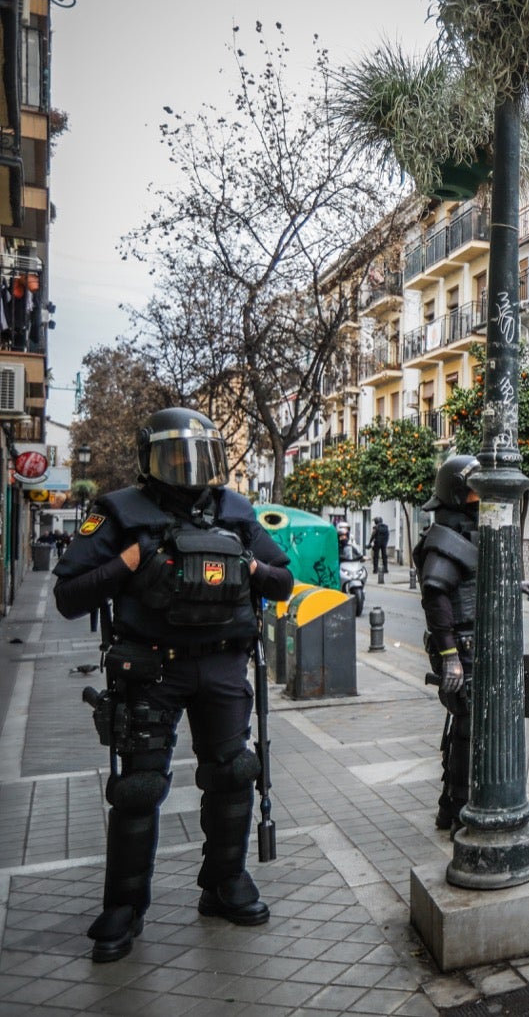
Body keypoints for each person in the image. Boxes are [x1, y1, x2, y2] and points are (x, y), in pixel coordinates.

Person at [53, 407, 294, 963]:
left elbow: (283, 582)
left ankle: (224, 883)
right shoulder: (120, 513)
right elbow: (69, 595)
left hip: (223, 666)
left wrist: (251, 568)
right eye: (175, 455)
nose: (188, 467)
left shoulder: (235, 513)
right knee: (139, 789)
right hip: (151, 668)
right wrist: (128, 562)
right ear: (151, 460)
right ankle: (125, 906)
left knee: (235, 773)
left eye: (199, 455)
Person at [412, 454, 481, 831]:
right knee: (469, 732)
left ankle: (449, 807)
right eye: (473, 494)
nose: (479, 499)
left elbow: (472, 582)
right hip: (463, 651)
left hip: (475, 647)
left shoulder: (466, 533)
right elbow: (436, 595)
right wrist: (451, 657)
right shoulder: (444, 538)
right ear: (455, 496)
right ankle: (459, 812)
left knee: (465, 730)